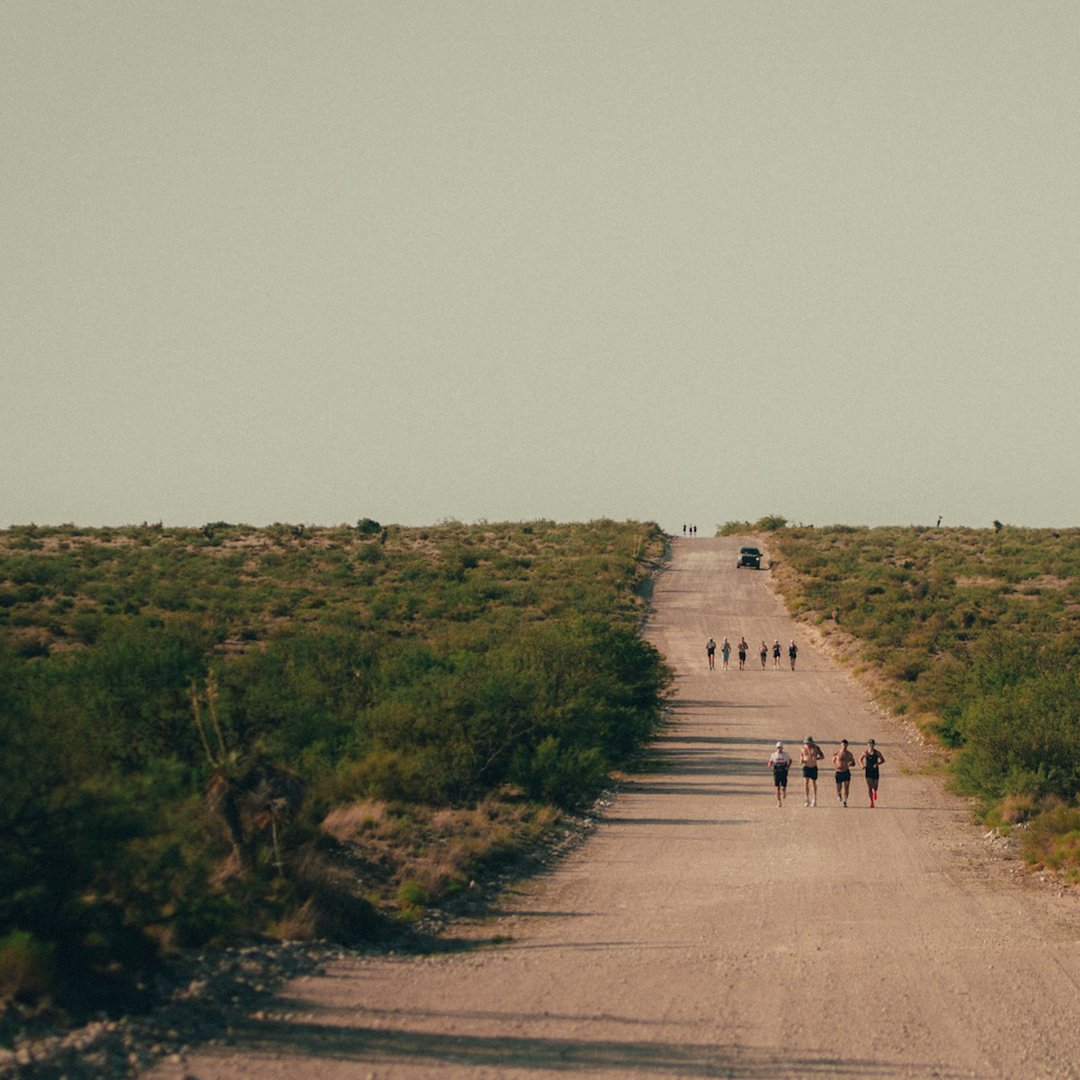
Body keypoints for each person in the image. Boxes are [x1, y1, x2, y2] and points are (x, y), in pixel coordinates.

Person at [800, 736, 824, 807]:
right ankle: (807, 799)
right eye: (807, 743)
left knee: (813, 782)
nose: (808, 744)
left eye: (809, 743)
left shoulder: (816, 748)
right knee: (805, 782)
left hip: (813, 766)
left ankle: (814, 798)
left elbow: (822, 756)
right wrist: (801, 760)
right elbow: (801, 756)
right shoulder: (803, 748)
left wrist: (817, 758)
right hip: (806, 766)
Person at [860, 739, 884, 807]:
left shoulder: (877, 753)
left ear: (874, 745)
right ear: (868, 745)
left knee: (875, 787)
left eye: (872, 744)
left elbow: (883, 760)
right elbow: (860, 759)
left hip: (875, 771)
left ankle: (874, 791)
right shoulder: (865, 753)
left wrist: (877, 764)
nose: (871, 746)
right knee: (869, 786)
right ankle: (871, 802)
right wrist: (862, 765)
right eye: (870, 744)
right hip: (868, 771)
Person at [832, 739, 856, 806]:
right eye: (843, 745)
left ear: (847, 746)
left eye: (845, 745)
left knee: (846, 786)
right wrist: (835, 765)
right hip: (838, 771)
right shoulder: (837, 753)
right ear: (841, 745)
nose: (844, 747)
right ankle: (839, 793)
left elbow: (854, 763)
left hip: (846, 771)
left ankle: (845, 801)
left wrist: (850, 764)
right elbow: (833, 760)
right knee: (838, 786)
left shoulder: (849, 754)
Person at [768, 741, 792, 807]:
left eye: (781, 748)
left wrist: (788, 767)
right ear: (776, 748)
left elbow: (790, 760)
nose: (779, 749)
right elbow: (770, 761)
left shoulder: (785, 755)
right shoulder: (773, 755)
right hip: (776, 771)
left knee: (783, 785)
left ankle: (784, 790)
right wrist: (769, 764)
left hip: (783, 771)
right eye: (778, 748)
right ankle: (779, 801)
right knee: (777, 786)